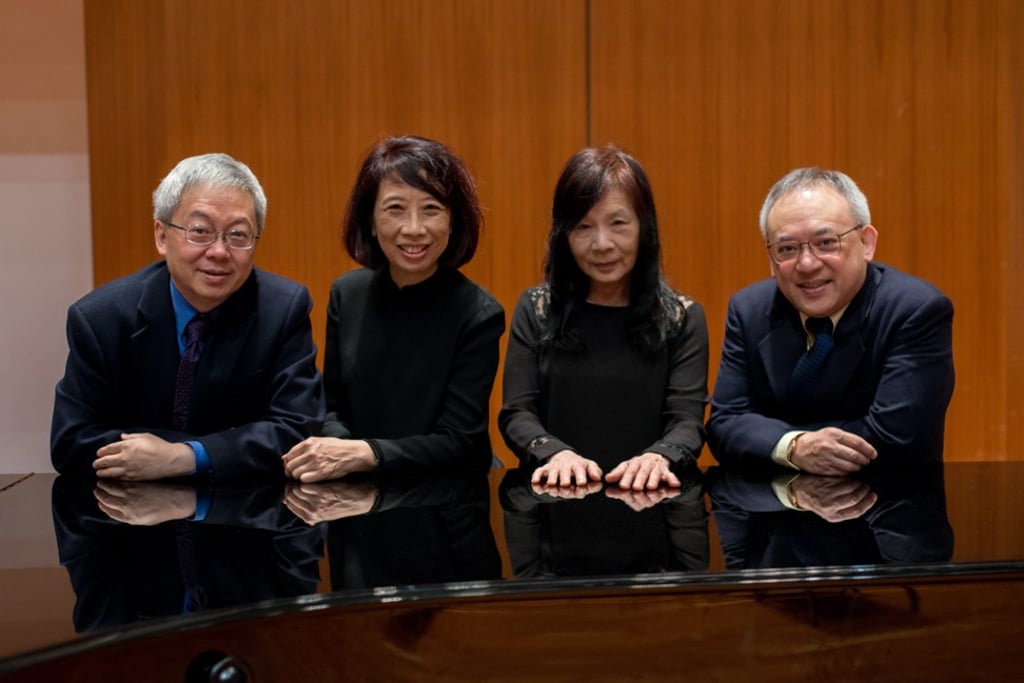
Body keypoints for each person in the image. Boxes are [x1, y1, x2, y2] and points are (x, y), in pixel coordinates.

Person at [51, 153, 324, 480]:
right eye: (200, 231)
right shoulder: (101, 318)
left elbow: (298, 432)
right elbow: (72, 442)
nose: (219, 252)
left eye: (238, 234)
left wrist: (185, 457)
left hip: (245, 518)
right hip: (130, 521)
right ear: (161, 236)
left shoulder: (282, 310)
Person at [282, 136, 505, 481]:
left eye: (431, 209)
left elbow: (460, 442)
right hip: (358, 492)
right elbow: (333, 407)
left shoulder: (478, 312)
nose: (413, 229)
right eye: (395, 209)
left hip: (448, 497)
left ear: (453, 221)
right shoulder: (347, 293)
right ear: (370, 221)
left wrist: (366, 454)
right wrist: (340, 450)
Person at [706, 167, 955, 475]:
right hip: (772, 512)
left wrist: (773, 439)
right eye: (787, 249)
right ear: (771, 259)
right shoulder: (749, 310)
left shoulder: (914, 309)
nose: (807, 264)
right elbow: (724, 423)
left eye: (826, 243)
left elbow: (895, 437)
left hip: (887, 509)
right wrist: (795, 446)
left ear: (866, 243)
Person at [499, 145, 709, 491]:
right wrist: (556, 454)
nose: (602, 244)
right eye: (583, 227)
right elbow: (517, 413)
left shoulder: (682, 317)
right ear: (563, 235)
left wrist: (658, 456)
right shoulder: (536, 308)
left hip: (649, 496)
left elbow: (686, 420)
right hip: (557, 496)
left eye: (618, 224)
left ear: (645, 228)